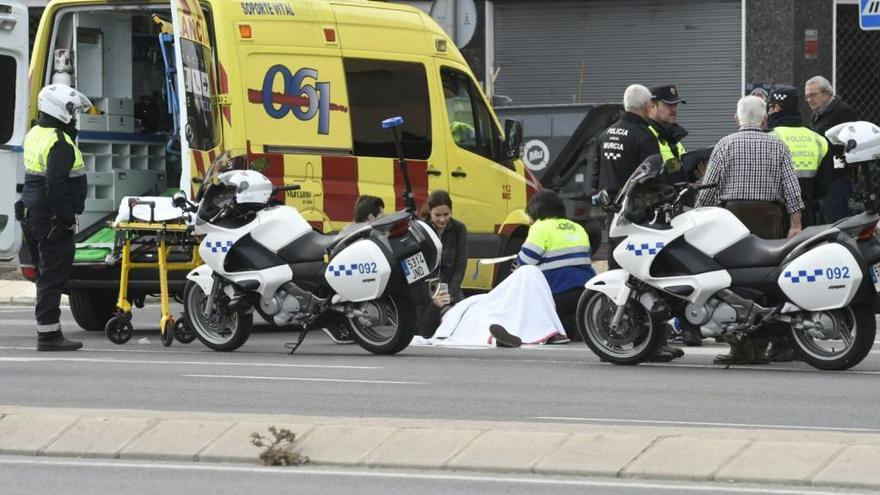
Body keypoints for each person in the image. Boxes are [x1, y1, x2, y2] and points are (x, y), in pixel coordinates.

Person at [696, 95, 805, 365]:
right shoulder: (778, 145)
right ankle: (761, 345)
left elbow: (708, 191)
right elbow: (792, 189)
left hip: (731, 223)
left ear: (737, 118)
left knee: (735, 284)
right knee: (768, 283)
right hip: (770, 221)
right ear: (765, 119)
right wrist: (795, 225)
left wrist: (697, 216)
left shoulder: (725, 145)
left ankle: (740, 347)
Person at [19, 84, 92, 351]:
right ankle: (49, 336)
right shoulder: (60, 142)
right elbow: (55, 184)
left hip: (32, 213)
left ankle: (48, 331)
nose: (74, 118)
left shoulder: (35, 134)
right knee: (52, 276)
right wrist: (66, 218)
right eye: (72, 113)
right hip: (50, 219)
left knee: (45, 275)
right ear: (61, 111)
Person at [514, 190, 596, 344]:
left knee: (525, 276)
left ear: (535, 212)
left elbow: (525, 261)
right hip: (585, 293)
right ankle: (574, 328)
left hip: (557, 293)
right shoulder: (577, 227)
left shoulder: (540, 227)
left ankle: (544, 331)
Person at [594, 84, 660, 270]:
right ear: (647, 106)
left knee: (614, 255)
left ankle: (614, 296)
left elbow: (595, 174)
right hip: (636, 211)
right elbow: (651, 178)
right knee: (634, 259)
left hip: (611, 207)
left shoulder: (605, 134)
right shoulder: (644, 136)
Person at [766, 85, 829, 228]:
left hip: (774, 215)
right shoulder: (817, 139)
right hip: (807, 214)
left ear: (776, 108)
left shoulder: (768, 138)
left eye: (770, 107)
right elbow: (823, 186)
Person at [805, 76, 859, 223]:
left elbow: (851, 145)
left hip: (838, 178)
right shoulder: (816, 114)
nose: (809, 99)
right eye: (807, 96)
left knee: (837, 223)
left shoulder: (843, 112)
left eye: (812, 95)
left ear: (827, 93)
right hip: (823, 178)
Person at [423, 190, 468, 304]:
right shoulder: (421, 230)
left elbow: (460, 266)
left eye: (446, 214)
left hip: (451, 291)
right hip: (427, 293)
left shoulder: (460, 229)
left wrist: (450, 294)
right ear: (429, 211)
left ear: (451, 211)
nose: (442, 219)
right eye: (437, 215)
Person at [647, 84, 688, 165]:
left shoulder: (673, 135)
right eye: (669, 105)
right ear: (652, 106)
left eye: (675, 105)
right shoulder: (645, 135)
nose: (674, 110)